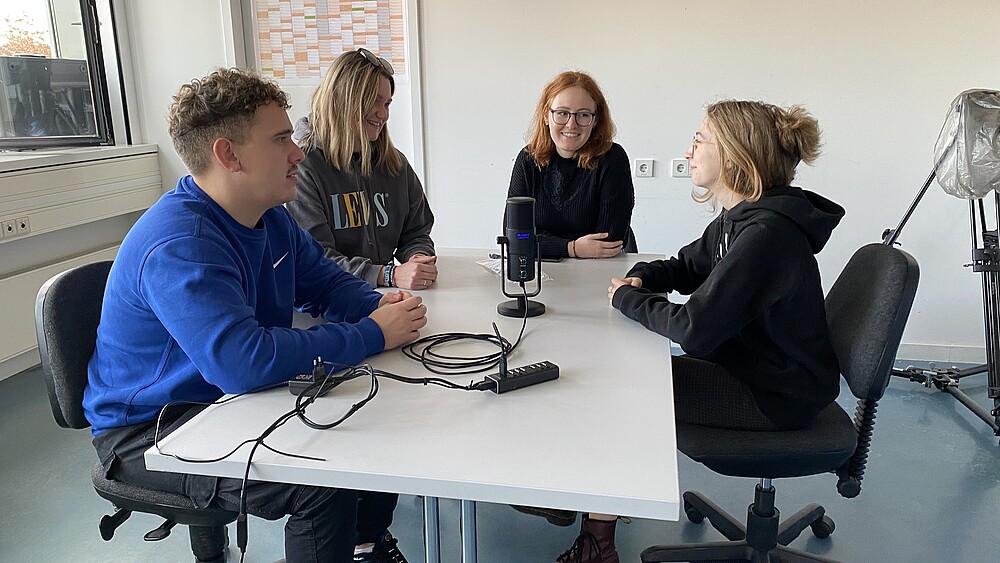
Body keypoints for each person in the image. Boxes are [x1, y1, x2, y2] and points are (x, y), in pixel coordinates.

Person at [83, 67, 428, 563]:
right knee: (322, 483)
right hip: (150, 429)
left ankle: (365, 546)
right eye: (281, 139)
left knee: (370, 423)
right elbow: (243, 362)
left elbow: (325, 283)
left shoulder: (269, 215)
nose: (298, 152)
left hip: (220, 399)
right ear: (230, 155)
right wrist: (372, 334)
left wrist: (376, 305)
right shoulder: (180, 243)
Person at [550, 100, 845, 563]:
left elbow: (693, 330)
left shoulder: (767, 234)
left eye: (699, 140)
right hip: (756, 371)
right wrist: (642, 277)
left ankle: (597, 543)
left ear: (735, 155)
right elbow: (687, 266)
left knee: (616, 391)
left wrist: (626, 299)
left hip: (775, 396)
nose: (688, 152)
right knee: (623, 374)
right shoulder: (740, 216)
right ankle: (589, 506)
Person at [287, 48, 437, 292]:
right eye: (375, 101)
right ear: (344, 100)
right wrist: (387, 274)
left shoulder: (395, 163)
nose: (383, 114)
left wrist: (418, 257)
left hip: (386, 297)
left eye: (387, 103)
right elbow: (315, 259)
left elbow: (416, 232)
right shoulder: (303, 167)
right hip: (332, 300)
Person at [507, 70, 636, 260]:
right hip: (543, 268)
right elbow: (514, 238)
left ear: (595, 120)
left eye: (583, 115)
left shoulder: (612, 159)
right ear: (546, 116)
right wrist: (572, 248)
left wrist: (541, 243)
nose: (571, 124)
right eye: (562, 113)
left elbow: (608, 242)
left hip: (601, 267)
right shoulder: (528, 159)